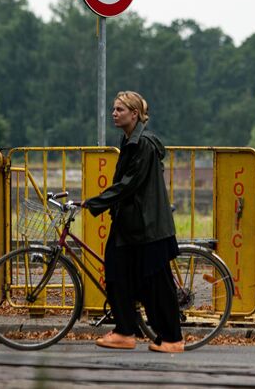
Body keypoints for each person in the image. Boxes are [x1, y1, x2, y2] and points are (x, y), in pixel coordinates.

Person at [80, 91, 184, 353]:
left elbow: (129, 184)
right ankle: (125, 332)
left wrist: (96, 202)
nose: (114, 114)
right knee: (117, 274)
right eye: (114, 110)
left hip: (149, 227)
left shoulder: (144, 144)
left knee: (157, 284)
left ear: (135, 114)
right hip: (131, 225)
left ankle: (173, 339)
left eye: (120, 110)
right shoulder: (129, 141)